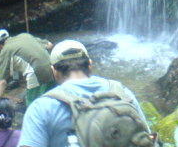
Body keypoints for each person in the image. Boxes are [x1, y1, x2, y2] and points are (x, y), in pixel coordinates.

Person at [19, 39, 149, 147]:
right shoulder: (121, 93)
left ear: (54, 71)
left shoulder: (41, 108)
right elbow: (146, 137)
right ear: (90, 65)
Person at [0, 29, 56, 106]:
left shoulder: (5, 51)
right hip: (52, 68)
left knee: (32, 105)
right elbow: (50, 45)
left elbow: (2, 81)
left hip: (35, 73)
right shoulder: (25, 36)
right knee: (53, 99)